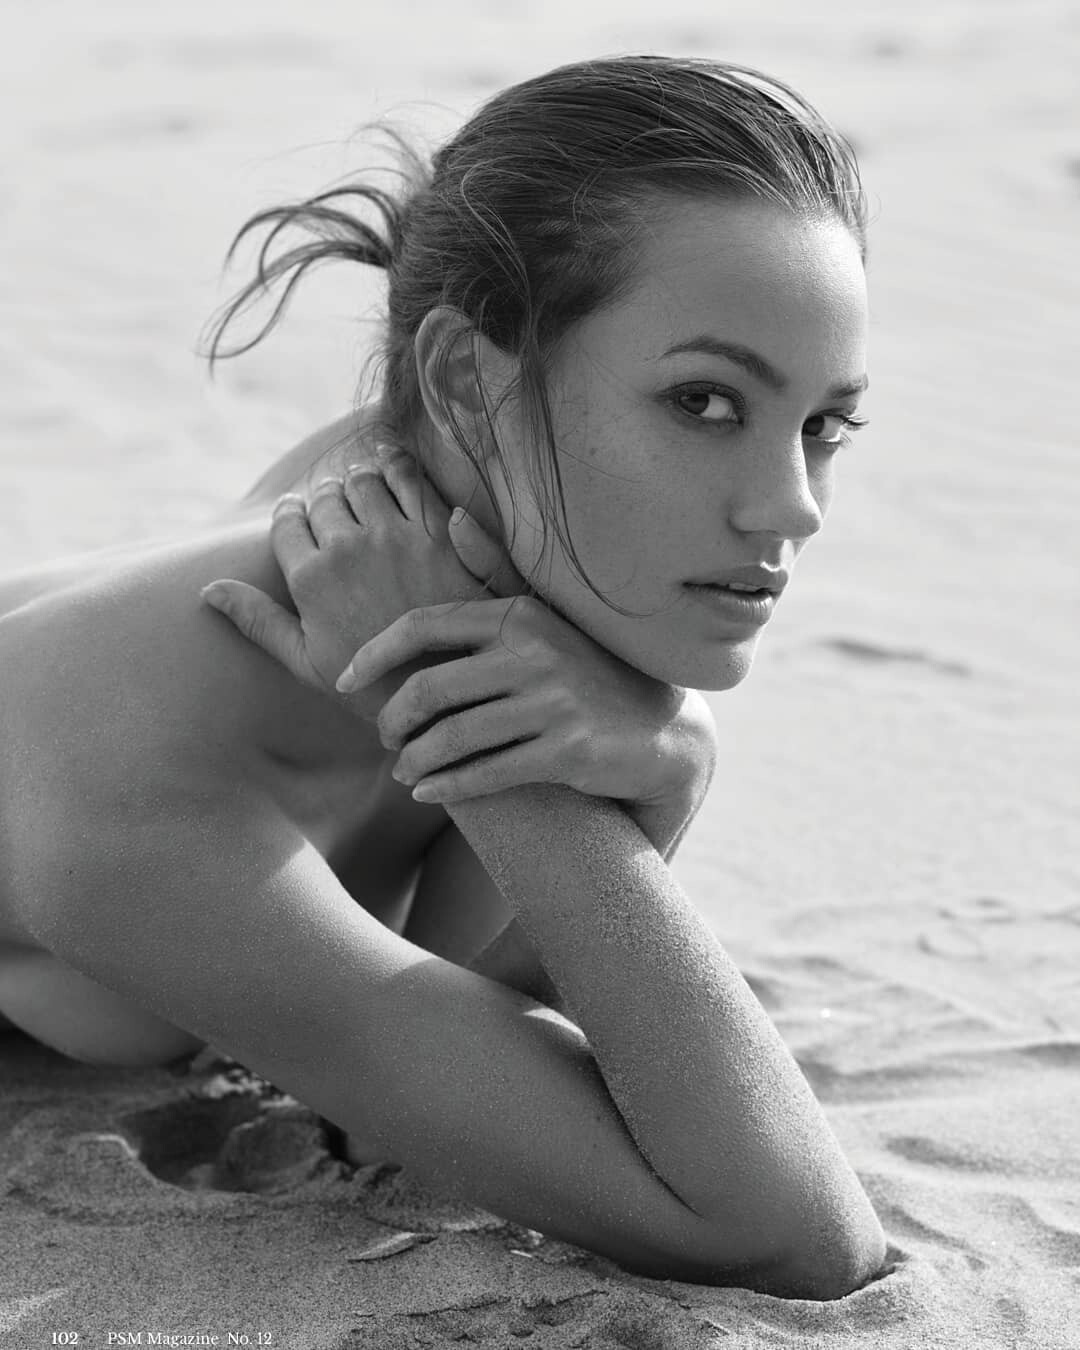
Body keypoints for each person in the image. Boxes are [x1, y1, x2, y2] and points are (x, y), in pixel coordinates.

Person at [0, 55, 885, 1295]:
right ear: (468, 379)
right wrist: (580, 744)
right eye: (703, 401)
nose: (793, 508)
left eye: (824, 425)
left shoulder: (440, 526)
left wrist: (660, 760)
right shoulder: (133, 763)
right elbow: (785, 1233)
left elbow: (473, 1048)